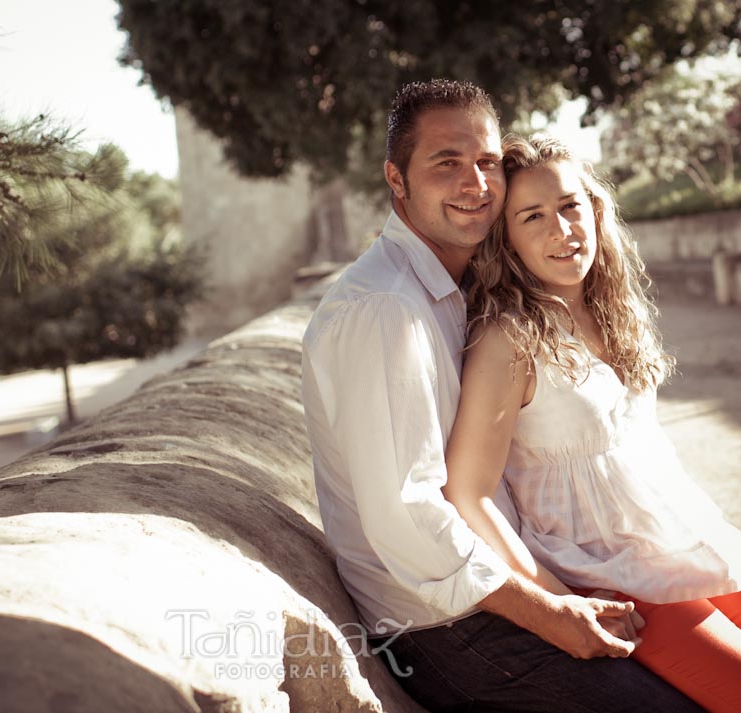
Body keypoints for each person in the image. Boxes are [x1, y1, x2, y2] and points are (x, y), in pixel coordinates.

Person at [301, 78, 701, 711]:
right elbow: (410, 516)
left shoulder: (448, 287)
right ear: (396, 179)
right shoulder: (385, 309)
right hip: (445, 625)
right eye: (446, 163)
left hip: (510, 582)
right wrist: (553, 611)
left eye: (486, 161)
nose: (475, 183)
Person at [442, 133, 741, 712]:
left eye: (570, 205)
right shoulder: (511, 338)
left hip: (678, 544)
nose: (562, 230)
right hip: (610, 574)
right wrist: (559, 603)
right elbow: (467, 493)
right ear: (506, 239)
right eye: (533, 216)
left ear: (594, 208)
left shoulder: (609, 306)